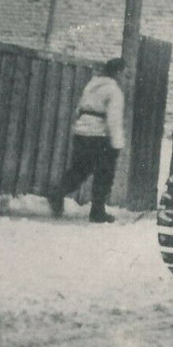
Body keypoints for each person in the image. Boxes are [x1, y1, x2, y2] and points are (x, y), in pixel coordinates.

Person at [48, 58, 126, 223]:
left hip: (82, 133)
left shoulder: (91, 85)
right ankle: (97, 212)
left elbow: (78, 109)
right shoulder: (114, 91)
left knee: (80, 170)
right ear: (118, 72)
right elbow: (114, 119)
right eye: (124, 73)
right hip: (100, 136)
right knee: (104, 174)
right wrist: (117, 143)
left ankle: (58, 192)